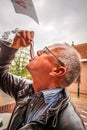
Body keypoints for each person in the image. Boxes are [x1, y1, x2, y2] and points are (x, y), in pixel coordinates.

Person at [0, 30, 86, 130]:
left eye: (45, 51)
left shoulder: (71, 126)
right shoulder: (24, 88)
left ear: (57, 71)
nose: (38, 51)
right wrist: (14, 46)